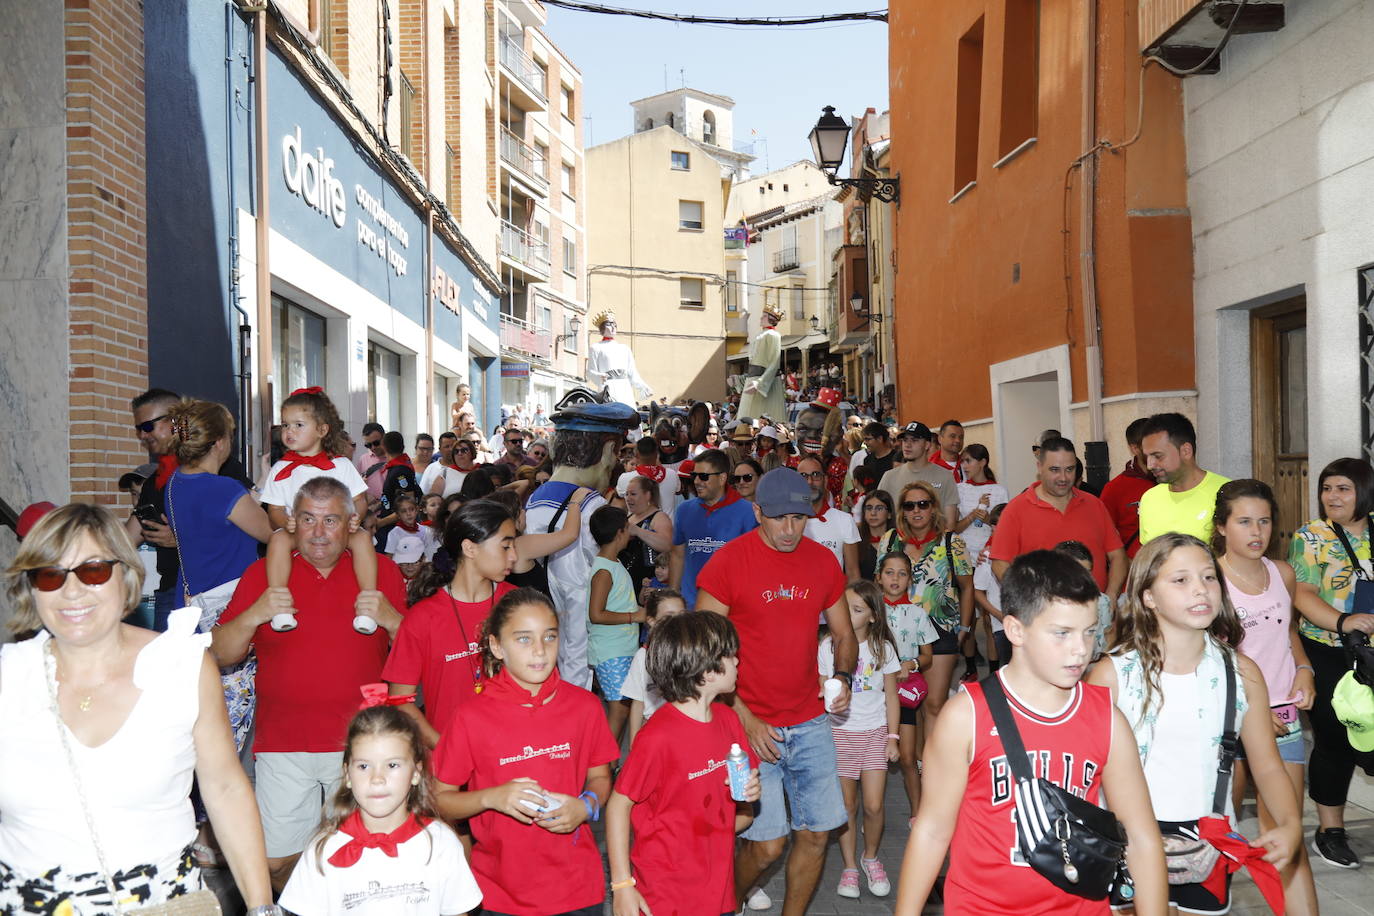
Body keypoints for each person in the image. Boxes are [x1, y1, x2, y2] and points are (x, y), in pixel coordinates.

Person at [0, 503, 277, 913]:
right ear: (33, 588)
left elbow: (225, 788)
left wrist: (261, 907)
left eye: (92, 571)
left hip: (163, 901)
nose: (71, 592)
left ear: (125, 574)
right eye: (50, 575)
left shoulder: (181, 666)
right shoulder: (10, 678)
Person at [895, 549, 1168, 916]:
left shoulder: (1107, 719)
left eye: (1088, 632)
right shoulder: (965, 716)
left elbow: (1141, 837)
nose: (1081, 650)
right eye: (1062, 633)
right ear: (1015, 630)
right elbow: (932, 831)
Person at [213, 476, 409, 891]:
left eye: (330, 520)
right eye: (308, 519)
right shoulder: (264, 574)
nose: (318, 533)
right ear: (292, 523)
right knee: (276, 863)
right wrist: (255, 614)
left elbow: (416, 659)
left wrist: (393, 621)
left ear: (350, 526)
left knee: (371, 861)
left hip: (363, 746)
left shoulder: (382, 572)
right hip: (283, 742)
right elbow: (221, 652)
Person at [1089, 534, 1302, 915]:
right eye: (1180, 580)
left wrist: (1289, 823)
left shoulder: (1241, 673)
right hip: (1127, 841)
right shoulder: (1112, 676)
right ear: (1147, 596)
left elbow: (1267, 764)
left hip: (1207, 841)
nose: (1200, 590)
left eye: (1208, 577)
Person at [695, 468, 857, 916]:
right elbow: (701, 650)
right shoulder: (728, 562)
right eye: (779, 518)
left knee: (817, 834)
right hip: (746, 725)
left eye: (799, 519)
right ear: (756, 512)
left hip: (810, 720)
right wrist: (744, 717)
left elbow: (845, 634)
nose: (790, 530)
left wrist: (841, 679)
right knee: (766, 846)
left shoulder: (822, 561)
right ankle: (726, 902)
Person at [432, 588, 618, 916]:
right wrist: (491, 798)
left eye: (549, 637)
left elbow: (601, 776)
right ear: (496, 646)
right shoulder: (470, 717)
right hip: (500, 895)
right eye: (523, 639)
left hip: (578, 889)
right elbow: (440, 799)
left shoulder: (585, 707)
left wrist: (586, 806)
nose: (539, 651)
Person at [386, 497, 589, 746]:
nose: (514, 556)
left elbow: (546, 685)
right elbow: (400, 700)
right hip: (447, 769)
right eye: (505, 547)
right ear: (470, 549)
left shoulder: (520, 606)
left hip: (516, 752)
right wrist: (447, 748)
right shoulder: (423, 617)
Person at [607, 612, 761, 916]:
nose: (737, 662)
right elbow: (618, 806)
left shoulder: (729, 719)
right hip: (664, 893)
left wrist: (750, 790)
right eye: (730, 655)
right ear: (705, 670)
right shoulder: (658, 737)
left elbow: (742, 807)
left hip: (715, 885)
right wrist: (623, 885)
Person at [1212, 480, 1319, 912]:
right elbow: (1210, 657)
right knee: (1216, 837)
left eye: (1264, 521)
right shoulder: (1208, 580)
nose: (1256, 531)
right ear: (1221, 527)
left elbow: (1287, 631)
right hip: (1223, 720)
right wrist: (1250, 713)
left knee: (1286, 837)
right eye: (1243, 522)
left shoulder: (1283, 573)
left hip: (1283, 717)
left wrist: (1305, 669)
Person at [279, 705, 482, 916]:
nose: (377, 779)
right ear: (347, 774)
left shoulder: (441, 842)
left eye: (392, 765)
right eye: (364, 766)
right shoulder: (323, 849)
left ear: (416, 773)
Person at [1288, 457, 1374, 868]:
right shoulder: (1312, 536)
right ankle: (1330, 830)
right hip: (1326, 649)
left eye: (1343, 488)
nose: (1333, 496)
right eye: (1327, 488)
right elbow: (1302, 594)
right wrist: (1343, 621)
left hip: (1372, 652)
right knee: (1334, 739)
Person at [524, 394, 640, 688]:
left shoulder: (535, 499)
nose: (614, 463)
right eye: (616, 453)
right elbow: (581, 589)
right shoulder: (591, 506)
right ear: (606, 451)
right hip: (576, 639)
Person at [127, 386, 253, 631]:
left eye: (147, 427)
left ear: (176, 423)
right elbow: (125, 538)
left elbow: (255, 529)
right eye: (138, 429)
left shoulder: (222, 468)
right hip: (173, 595)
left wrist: (184, 538)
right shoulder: (156, 480)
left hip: (219, 593)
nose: (143, 436)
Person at [260, 387, 377, 627]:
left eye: (298, 425)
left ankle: (367, 605)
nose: (289, 431)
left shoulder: (341, 465)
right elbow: (274, 510)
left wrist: (355, 517)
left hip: (337, 530)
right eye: (285, 425)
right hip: (299, 533)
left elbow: (359, 500)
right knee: (279, 540)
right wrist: (285, 522)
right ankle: (280, 604)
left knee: (362, 538)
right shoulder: (280, 469)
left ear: (322, 430)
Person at [162, 399, 274, 630]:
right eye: (231, 435)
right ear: (220, 443)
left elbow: (232, 513)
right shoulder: (223, 489)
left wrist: (264, 481)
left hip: (191, 603)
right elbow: (271, 532)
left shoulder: (176, 481)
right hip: (227, 603)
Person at [823, 580, 901, 900]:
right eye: (844, 608)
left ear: (872, 616)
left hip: (874, 732)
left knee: (873, 804)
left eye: (856, 609)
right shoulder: (828, 646)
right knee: (848, 806)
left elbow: (893, 697)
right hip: (840, 733)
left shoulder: (883, 648)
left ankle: (871, 858)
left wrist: (893, 737)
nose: (847, 614)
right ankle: (849, 868)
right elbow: (820, 687)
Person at [988, 436, 1127, 605]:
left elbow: (1118, 555)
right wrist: (1029, 602)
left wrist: (1111, 595)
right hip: (1043, 619)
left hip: (1094, 615)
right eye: (1055, 469)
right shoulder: (1015, 510)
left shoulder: (1094, 505)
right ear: (1039, 467)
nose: (1063, 477)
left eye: (1069, 469)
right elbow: (999, 564)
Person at [877, 481, 973, 722]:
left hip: (941, 629)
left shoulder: (952, 543)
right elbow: (878, 583)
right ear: (902, 511)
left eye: (923, 504)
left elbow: (967, 587)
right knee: (907, 701)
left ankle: (930, 760)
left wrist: (964, 629)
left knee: (933, 703)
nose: (916, 511)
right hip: (897, 630)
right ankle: (915, 759)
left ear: (933, 508)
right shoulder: (890, 540)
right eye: (909, 506)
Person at [874, 552, 936, 820]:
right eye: (889, 572)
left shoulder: (918, 613)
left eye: (901, 573)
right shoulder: (870, 613)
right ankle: (872, 813)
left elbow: (927, 656)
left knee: (909, 757)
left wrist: (910, 664)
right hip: (874, 693)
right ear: (878, 578)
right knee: (873, 760)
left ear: (910, 580)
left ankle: (918, 814)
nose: (895, 578)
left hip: (903, 692)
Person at [670, 448, 758, 609]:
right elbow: (677, 555)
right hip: (690, 607)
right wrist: (673, 598)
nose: (696, 481)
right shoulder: (684, 510)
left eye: (703, 476)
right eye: (694, 475)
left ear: (722, 478)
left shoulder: (748, 512)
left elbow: (753, 565)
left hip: (730, 609)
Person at [587, 506, 646, 741]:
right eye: (628, 528)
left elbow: (617, 603)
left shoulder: (613, 563)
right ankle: (605, 770)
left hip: (621, 648)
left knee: (623, 707)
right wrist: (636, 616)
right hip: (611, 652)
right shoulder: (603, 570)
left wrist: (639, 603)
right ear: (620, 532)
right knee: (619, 710)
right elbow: (596, 614)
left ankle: (610, 768)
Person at [1137, 412, 1230, 545]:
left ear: (1186, 451)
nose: (1150, 465)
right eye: (1147, 457)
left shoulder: (1227, 493)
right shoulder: (1149, 498)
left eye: (1158, 456)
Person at [623, 588, 687, 742]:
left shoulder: (692, 653)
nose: (677, 622)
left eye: (682, 615)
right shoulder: (642, 657)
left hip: (685, 728)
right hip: (655, 731)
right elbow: (638, 703)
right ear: (651, 621)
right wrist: (633, 742)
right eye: (669, 617)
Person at [878, 422, 958, 528]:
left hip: (936, 543)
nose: (907, 445)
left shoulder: (945, 476)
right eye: (905, 440)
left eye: (914, 440)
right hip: (899, 542)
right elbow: (879, 517)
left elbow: (950, 524)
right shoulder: (889, 477)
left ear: (927, 445)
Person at [1099, 417, 1155, 558]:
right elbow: (1104, 538)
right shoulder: (1115, 489)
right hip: (1134, 573)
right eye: (1150, 446)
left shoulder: (1173, 480)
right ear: (1135, 448)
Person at [799, 454, 861, 579]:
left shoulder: (844, 520)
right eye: (803, 476)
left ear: (825, 480)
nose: (810, 482)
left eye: (816, 475)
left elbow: (853, 574)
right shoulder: (786, 523)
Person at [620, 474, 673, 598]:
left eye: (633, 494)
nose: (628, 498)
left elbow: (667, 545)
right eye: (626, 494)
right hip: (626, 581)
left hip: (645, 582)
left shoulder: (659, 517)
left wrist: (638, 531)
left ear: (647, 495)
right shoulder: (630, 517)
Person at [586, 310, 653, 407]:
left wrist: (642, 386)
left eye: (614, 324)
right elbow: (591, 371)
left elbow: (632, 372)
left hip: (625, 387)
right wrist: (600, 376)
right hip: (608, 386)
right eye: (609, 324)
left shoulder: (625, 348)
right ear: (602, 327)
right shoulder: (595, 348)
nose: (613, 327)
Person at [738, 302, 785, 423]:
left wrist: (759, 383)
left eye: (763, 316)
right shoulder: (760, 335)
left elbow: (774, 363)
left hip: (763, 383)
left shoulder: (774, 335)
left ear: (771, 319)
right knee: (745, 417)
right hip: (752, 379)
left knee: (761, 417)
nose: (760, 318)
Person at [383, 493, 439, 561]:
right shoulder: (394, 533)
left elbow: (429, 553)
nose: (408, 514)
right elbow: (389, 557)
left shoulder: (425, 530)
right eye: (404, 511)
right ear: (398, 515)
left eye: (411, 509)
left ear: (416, 510)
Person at [856, 489, 896, 582]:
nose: (873, 513)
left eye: (879, 508)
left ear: (889, 514)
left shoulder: (899, 541)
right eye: (869, 508)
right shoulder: (856, 542)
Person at [421, 432, 475, 498]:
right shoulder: (442, 473)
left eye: (464, 450)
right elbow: (429, 498)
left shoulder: (479, 470)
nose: (451, 449)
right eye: (447, 446)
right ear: (440, 450)